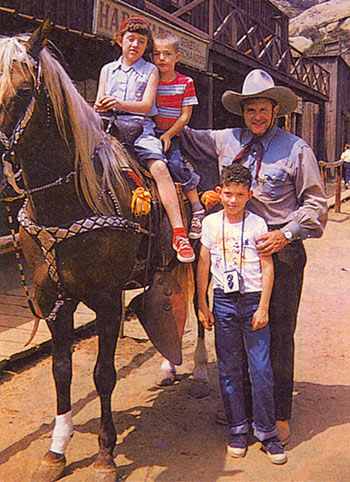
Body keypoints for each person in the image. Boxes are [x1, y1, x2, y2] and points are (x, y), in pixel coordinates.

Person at [181, 69, 328, 444]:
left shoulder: (297, 149)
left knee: (277, 333)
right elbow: (183, 135)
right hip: (235, 253)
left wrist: (285, 233)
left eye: (263, 109)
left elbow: (315, 203)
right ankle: (243, 409)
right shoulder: (225, 140)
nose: (256, 117)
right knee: (238, 334)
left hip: (281, 251)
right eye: (250, 111)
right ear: (242, 112)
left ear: (275, 110)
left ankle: (278, 413)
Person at [197, 163, 286, 464]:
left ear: (249, 195)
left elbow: (267, 266)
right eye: (228, 194)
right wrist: (202, 303)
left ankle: (267, 432)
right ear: (219, 193)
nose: (232, 201)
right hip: (223, 302)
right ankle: (238, 429)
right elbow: (203, 266)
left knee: (260, 369)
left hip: (252, 303)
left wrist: (263, 306)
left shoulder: (259, 224)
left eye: (239, 195)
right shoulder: (210, 224)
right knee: (229, 368)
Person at [94, 16, 195, 263]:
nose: (135, 45)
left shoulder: (150, 70)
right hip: (109, 126)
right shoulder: (107, 69)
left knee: (160, 167)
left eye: (141, 41)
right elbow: (98, 102)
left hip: (140, 128)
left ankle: (179, 234)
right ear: (120, 41)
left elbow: (147, 105)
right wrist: (100, 105)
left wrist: (118, 103)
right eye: (130, 39)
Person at [152, 32, 205, 239]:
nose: (162, 58)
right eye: (157, 54)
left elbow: (185, 116)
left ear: (177, 57)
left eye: (167, 53)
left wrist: (168, 134)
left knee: (174, 165)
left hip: (172, 134)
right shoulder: (151, 80)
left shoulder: (185, 82)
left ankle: (196, 205)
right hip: (150, 132)